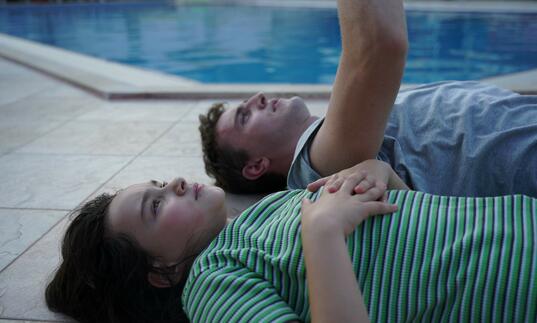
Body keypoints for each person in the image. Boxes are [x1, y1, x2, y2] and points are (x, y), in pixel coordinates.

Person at [45, 159, 537, 322]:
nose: (172, 185)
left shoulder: (263, 211)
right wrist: (323, 231)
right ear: (161, 271)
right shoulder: (211, 286)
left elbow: (414, 237)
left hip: (519, 222)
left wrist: (383, 177)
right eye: (155, 206)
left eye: (157, 185)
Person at [199, 2, 537, 197]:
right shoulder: (321, 165)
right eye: (244, 116)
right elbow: (377, 45)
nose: (257, 97)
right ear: (256, 166)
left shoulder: (351, 128)